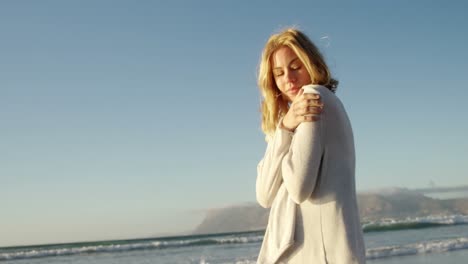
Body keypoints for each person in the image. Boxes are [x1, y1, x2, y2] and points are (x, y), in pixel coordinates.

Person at [255, 28, 366, 263]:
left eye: (296, 67)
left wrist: (285, 132)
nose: (289, 78)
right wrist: (284, 127)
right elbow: (264, 195)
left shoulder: (313, 96)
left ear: (311, 63)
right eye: (279, 73)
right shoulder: (290, 121)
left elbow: (298, 187)